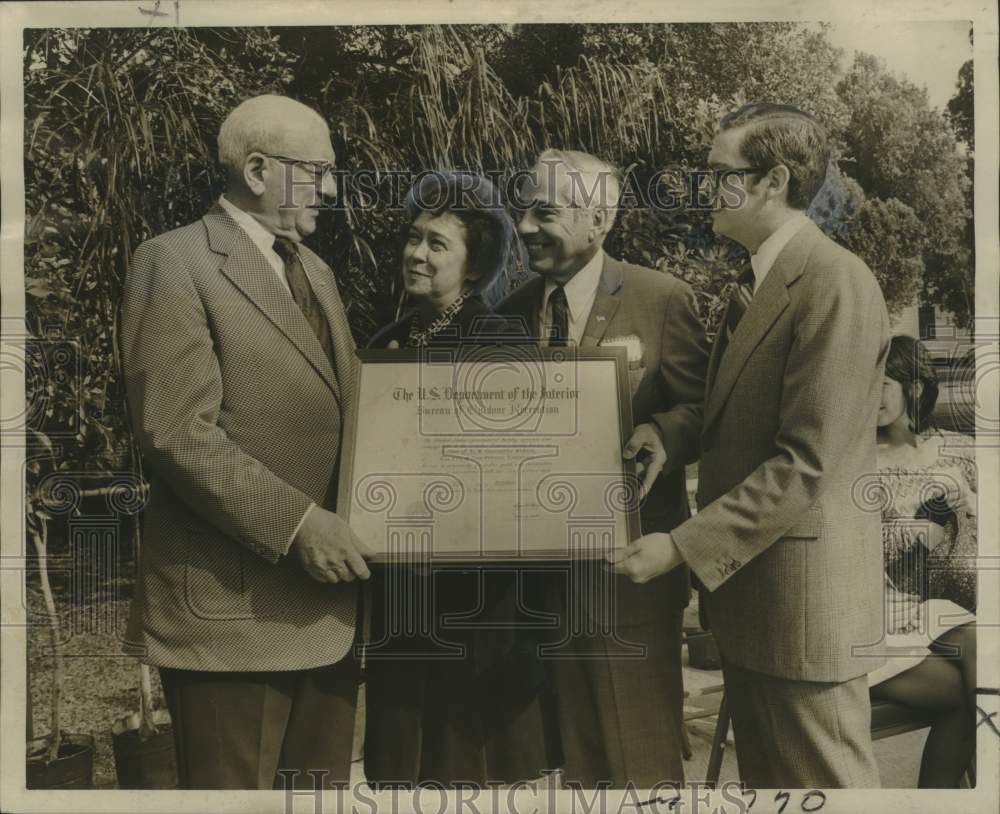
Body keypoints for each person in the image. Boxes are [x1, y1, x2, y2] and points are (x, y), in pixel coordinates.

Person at [612, 102, 891, 788]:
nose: (704, 189)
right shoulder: (761, 279)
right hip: (762, 608)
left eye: (718, 174)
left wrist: (681, 545)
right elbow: (733, 412)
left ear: (772, 181)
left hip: (802, 617)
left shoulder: (834, 282)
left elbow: (807, 463)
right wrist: (667, 434)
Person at [121, 95, 372, 790]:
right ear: (258, 170)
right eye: (316, 170)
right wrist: (299, 525)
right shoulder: (172, 261)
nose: (330, 188)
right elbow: (177, 433)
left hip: (328, 610)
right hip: (231, 623)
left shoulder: (314, 270)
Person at [497, 149, 711, 788]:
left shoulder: (662, 299)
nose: (527, 226)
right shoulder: (508, 314)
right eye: (524, 211)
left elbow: (705, 407)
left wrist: (663, 430)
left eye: (545, 212)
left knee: (641, 764)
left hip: (631, 578)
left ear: (599, 219)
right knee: (569, 768)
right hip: (537, 585)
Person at [363, 171, 551, 787]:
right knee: (400, 767)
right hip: (401, 599)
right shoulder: (386, 344)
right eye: (413, 238)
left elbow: (521, 476)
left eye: (437, 244)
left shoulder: (502, 340)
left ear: (473, 268)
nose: (416, 253)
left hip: (477, 607)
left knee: (465, 772)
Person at [868, 334, 977, 788]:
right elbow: (873, 555)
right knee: (967, 696)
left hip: (942, 607)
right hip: (876, 617)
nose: (871, 396)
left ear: (914, 386)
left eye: (885, 383)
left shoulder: (960, 450)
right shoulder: (855, 461)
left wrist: (967, 503)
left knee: (981, 649)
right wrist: (922, 520)